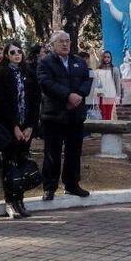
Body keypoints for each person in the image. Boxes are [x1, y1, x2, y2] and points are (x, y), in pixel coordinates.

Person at [37, 31, 92, 200]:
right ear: (53, 45)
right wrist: (68, 95)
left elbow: (87, 80)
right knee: (52, 153)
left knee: (74, 152)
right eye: (61, 41)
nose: (65, 44)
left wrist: (78, 96)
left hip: (75, 115)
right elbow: (46, 83)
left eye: (67, 41)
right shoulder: (45, 63)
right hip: (54, 115)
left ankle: (72, 184)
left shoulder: (79, 62)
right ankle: (49, 187)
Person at [0, 41, 41, 218]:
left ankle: (20, 200)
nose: (17, 55)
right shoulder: (0, 75)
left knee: (22, 163)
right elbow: (1, 104)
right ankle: (10, 202)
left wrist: (30, 126)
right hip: (8, 128)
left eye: (19, 51)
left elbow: (35, 101)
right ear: (6, 55)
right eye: (12, 52)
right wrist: (14, 126)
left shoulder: (29, 73)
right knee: (9, 164)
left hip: (26, 127)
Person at [92, 51, 122, 121]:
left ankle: (107, 130)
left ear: (111, 58)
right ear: (102, 58)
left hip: (110, 95)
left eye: (108, 57)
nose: (107, 59)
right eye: (105, 57)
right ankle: (102, 130)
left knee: (108, 114)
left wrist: (118, 96)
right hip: (100, 95)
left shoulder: (115, 69)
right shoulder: (98, 70)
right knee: (102, 113)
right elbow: (95, 84)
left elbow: (117, 83)